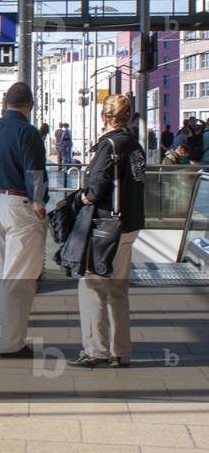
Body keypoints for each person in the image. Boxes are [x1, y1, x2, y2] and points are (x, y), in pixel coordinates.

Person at [69, 94, 145, 368]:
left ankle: (96, 351)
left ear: (104, 117)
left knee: (92, 286)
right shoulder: (135, 146)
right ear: (129, 117)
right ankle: (120, 351)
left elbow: (96, 188)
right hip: (129, 225)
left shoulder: (109, 145)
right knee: (118, 290)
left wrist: (83, 198)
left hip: (106, 229)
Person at [0, 82, 48, 358]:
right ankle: (11, 343)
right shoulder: (28, 132)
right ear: (30, 105)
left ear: (5, 102)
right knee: (18, 276)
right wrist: (39, 201)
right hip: (19, 206)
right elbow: (34, 171)